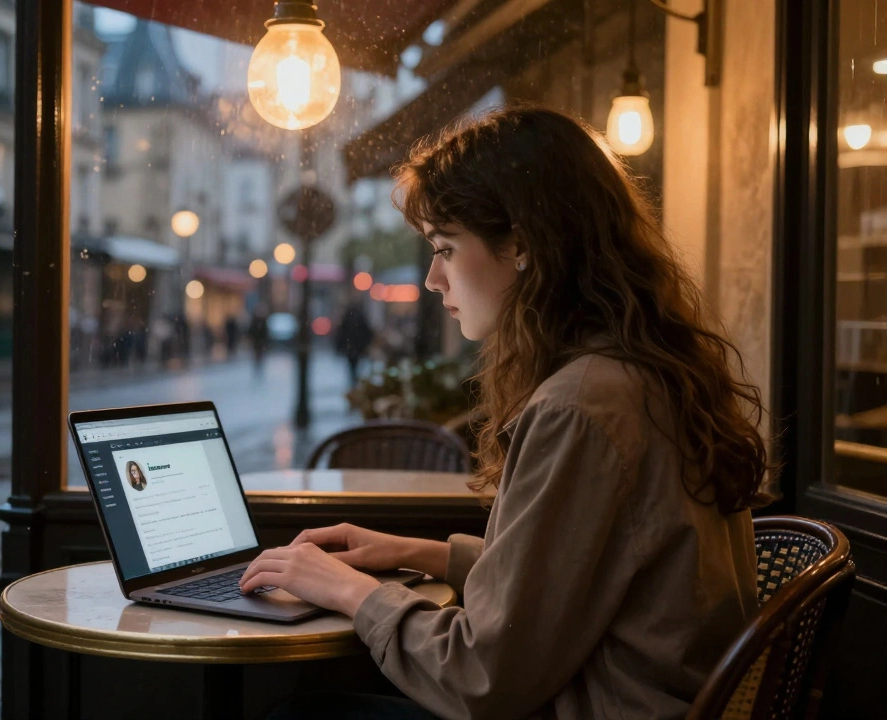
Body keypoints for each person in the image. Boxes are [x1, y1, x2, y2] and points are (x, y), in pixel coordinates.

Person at [243, 106, 770, 720]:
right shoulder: (643, 373)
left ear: (520, 244)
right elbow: (582, 576)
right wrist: (417, 552)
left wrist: (344, 588)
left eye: (444, 248)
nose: (434, 279)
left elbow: (482, 676)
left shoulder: (582, 404)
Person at [334, 302, 374, 388]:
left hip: (351, 347)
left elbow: (341, 334)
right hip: (357, 347)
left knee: (352, 366)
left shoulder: (347, 319)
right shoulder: (360, 319)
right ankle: (355, 380)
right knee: (356, 365)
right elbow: (367, 332)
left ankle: (354, 380)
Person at [246, 308, 270, 375]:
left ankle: (260, 365)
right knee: (256, 354)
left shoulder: (264, 322)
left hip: (261, 342)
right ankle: (256, 365)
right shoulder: (254, 322)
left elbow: (266, 333)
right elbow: (250, 331)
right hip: (255, 341)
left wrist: (265, 343)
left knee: (260, 354)